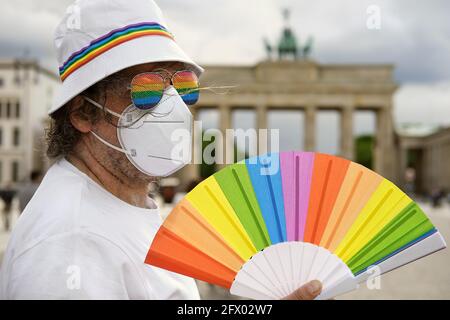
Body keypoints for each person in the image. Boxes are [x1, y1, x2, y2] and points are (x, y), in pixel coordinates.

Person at [0, 0, 322, 300]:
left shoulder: (122, 203)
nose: (173, 107)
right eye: (147, 89)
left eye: (182, 86)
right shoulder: (69, 243)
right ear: (83, 112)